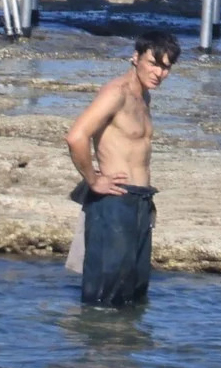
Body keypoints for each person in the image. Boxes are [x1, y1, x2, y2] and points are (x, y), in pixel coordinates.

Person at [64, 30, 180, 306]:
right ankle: (97, 345)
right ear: (135, 57)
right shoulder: (116, 93)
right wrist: (93, 180)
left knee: (134, 293)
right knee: (105, 295)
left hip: (140, 202)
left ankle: (127, 345)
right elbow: (76, 136)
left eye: (166, 67)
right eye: (153, 63)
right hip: (114, 202)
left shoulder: (144, 98)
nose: (159, 73)